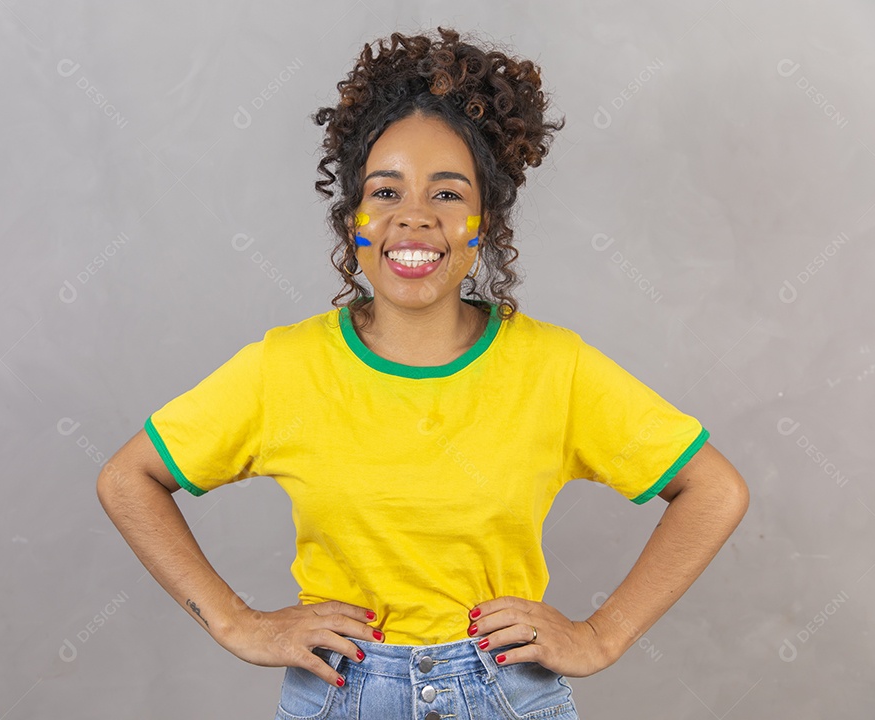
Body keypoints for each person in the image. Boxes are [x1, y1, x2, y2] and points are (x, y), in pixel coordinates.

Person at [98, 27, 750, 719]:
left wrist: (602, 635)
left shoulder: (553, 367)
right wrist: (235, 622)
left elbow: (712, 488)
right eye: (385, 192)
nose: (412, 218)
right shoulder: (282, 367)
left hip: (505, 694)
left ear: (484, 220)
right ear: (352, 215)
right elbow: (127, 478)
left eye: (446, 194)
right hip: (340, 693)